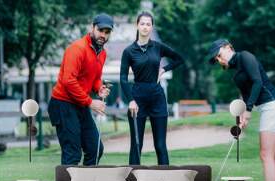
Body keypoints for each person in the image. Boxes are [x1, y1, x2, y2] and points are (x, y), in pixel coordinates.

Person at [208, 39, 275, 181]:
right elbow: (246, 96)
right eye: (217, 60)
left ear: (228, 47)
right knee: (273, 156)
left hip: (272, 105)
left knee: (266, 154)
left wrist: (250, 110)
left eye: (219, 55)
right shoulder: (237, 72)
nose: (220, 60)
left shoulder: (245, 56)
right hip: (271, 106)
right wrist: (244, 115)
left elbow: (258, 82)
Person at [48, 13, 113, 165]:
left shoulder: (102, 53)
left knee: (95, 149)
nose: (103, 35)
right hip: (63, 104)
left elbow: (95, 78)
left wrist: (99, 89)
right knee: (72, 153)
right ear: (92, 28)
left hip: (80, 104)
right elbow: (68, 80)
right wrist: (90, 102)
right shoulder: (77, 49)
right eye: (100, 30)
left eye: (107, 32)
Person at [120, 11, 183, 165]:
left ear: (152, 27)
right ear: (137, 25)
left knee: (160, 145)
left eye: (148, 24)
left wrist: (164, 69)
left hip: (157, 97)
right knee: (136, 145)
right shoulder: (129, 51)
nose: (145, 27)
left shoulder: (158, 47)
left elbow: (179, 59)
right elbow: (123, 78)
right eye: (142, 24)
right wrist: (131, 100)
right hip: (137, 99)